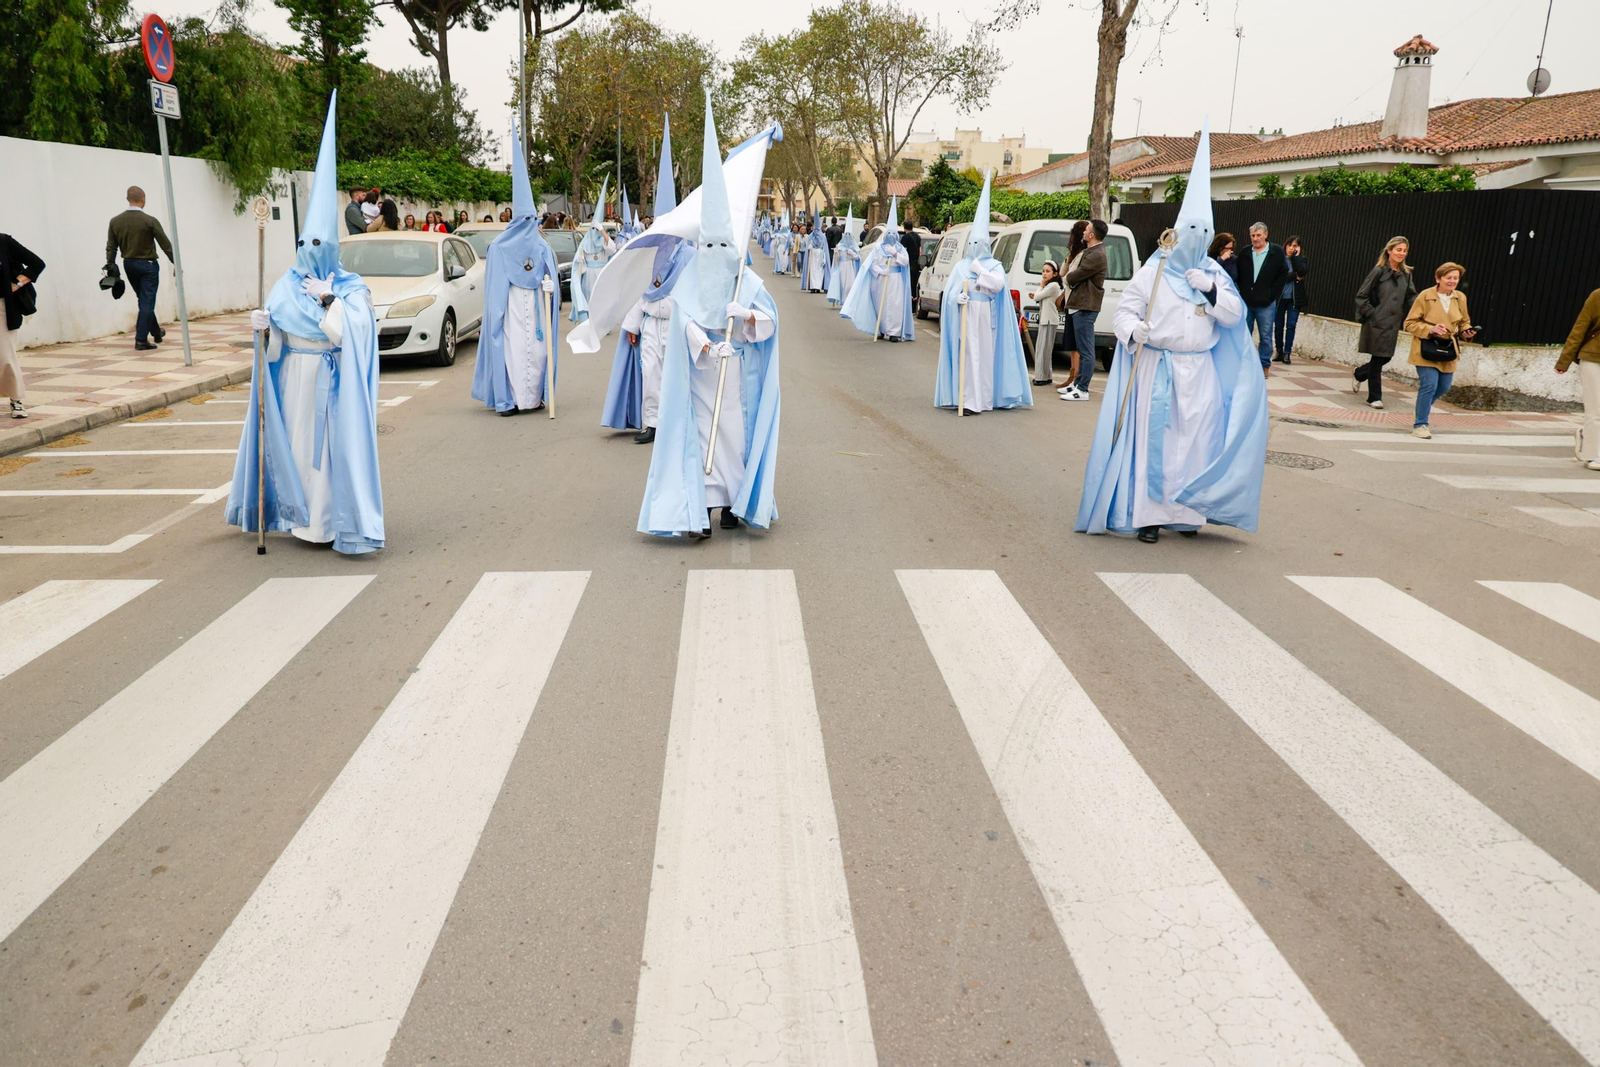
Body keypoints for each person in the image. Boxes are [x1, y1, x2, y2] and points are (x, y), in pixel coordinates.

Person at [1076, 121, 1268, 544]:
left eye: (1204, 235)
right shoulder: (1153, 271)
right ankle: (1150, 516)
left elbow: (1234, 316)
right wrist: (1135, 330)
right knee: (1156, 440)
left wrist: (1211, 289)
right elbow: (1124, 312)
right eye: (1191, 233)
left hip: (1199, 371)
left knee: (1198, 440)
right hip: (1156, 367)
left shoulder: (1214, 274)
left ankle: (1187, 514)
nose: (1196, 242)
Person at [227, 91, 384, 555]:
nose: (310, 251)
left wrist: (330, 298)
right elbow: (274, 344)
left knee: (329, 453)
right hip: (295, 376)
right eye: (304, 243)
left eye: (319, 244)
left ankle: (330, 523)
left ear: (332, 247)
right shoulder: (285, 285)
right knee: (298, 446)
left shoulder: (351, 285)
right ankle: (299, 520)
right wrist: (263, 327)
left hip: (333, 381)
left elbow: (356, 333)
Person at [639, 93, 780, 540]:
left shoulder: (746, 280)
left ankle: (734, 506)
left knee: (734, 439)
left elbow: (771, 323)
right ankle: (698, 510)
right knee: (700, 437)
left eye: (724, 245)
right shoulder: (689, 279)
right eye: (710, 245)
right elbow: (683, 320)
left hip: (738, 376)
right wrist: (705, 344)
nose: (717, 253)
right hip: (700, 377)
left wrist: (748, 317)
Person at [472, 122, 560, 418]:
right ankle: (509, 399)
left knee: (537, 354)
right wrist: (497, 318)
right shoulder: (499, 248)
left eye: (532, 220)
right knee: (513, 353)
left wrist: (550, 287)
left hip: (536, 311)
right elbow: (495, 291)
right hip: (511, 313)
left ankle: (534, 398)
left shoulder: (543, 247)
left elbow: (549, 276)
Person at [603, 130, 685, 444]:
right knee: (650, 373)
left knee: (677, 375)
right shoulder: (646, 252)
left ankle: (677, 425)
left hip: (677, 324)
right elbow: (638, 289)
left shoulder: (688, 255)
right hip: (651, 323)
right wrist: (632, 325)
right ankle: (651, 423)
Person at [934, 172, 1030, 415]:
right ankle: (968, 400)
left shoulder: (994, 266)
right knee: (968, 356)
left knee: (984, 357)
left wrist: (980, 272)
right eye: (972, 244)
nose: (975, 248)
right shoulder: (960, 266)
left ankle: (985, 399)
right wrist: (956, 299)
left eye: (979, 244)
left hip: (986, 317)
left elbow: (997, 286)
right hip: (966, 315)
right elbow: (950, 292)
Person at [1403, 261, 1475, 439]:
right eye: (1448, 277)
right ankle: (1420, 424)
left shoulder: (1460, 297)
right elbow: (1409, 323)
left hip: (1448, 348)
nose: (1452, 281)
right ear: (1438, 278)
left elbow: (1464, 321)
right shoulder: (1425, 296)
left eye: (1456, 278)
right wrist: (1431, 329)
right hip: (1426, 347)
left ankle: (1421, 409)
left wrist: (1467, 330)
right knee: (1429, 385)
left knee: (1444, 387)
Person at [106, 186, 174, 351]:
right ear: (143, 199)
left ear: (127, 199)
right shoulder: (149, 221)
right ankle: (141, 339)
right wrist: (176, 263)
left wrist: (110, 264)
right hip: (148, 265)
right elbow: (165, 244)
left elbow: (111, 246)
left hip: (129, 264)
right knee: (147, 301)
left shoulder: (115, 221)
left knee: (144, 299)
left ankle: (156, 332)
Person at [1352, 237, 1416, 410]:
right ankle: (1374, 397)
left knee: (1385, 357)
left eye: (1404, 250)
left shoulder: (1406, 274)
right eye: (1398, 250)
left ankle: (1359, 373)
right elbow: (1361, 296)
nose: (1401, 253)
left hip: (1393, 323)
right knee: (1378, 357)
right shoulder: (1378, 271)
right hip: (1376, 323)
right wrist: (1373, 314)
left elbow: (1411, 297)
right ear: (1389, 250)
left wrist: (1422, 309)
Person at [840, 198, 913, 342]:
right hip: (881, 280)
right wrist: (880, 271)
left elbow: (905, 262)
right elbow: (871, 263)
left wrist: (895, 253)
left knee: (895, 305)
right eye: (888, 233)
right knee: (881, 304)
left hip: (896, 281)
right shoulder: (879, 248)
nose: (891, 236)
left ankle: (894, 332)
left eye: (893, 233)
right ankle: (879, 329)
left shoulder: (900, 249)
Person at [1233, 221, 1291, 375]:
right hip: (1247, 301)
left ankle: (1264, 365)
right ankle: (1243, 364)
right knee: (1244, 334)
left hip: (1266, 303)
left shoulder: (1276, 252)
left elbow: (1283, 274)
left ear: (1266, 234)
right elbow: (1238, 274)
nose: (1255, 238)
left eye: (1258, 235)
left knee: (1265, 336)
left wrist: (1273, 295)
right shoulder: (1245, 252)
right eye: (1253, 235)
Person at [1060, 219, 1108, 401]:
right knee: (1081, 347)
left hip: (1085, 305)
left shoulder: (1096, 255)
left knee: (1086, 350)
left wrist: (1068, 279)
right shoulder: (1090, 251)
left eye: (1087, 229)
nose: (1084, 232)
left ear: (1092, 234)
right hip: (1079, 304)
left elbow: (1075, 276)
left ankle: (1082, 389)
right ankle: (1077, 383)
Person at [1, 232, 44, 418]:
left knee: (5, 355)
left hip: (2, 307)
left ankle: (16, 399)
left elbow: (37, 263)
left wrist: (17, 284)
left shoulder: (3, 242)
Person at [1556, 287, 1600, 470]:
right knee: (1595, 409)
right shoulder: (1597, 296)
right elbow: (1580, 328)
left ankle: (1585, 434)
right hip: (1593, 358)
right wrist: (1564, 361)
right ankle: (1592, 456)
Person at [569, 176, 615, 324]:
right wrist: (580, 262)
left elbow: (612, 249)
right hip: (589, 274)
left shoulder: (603, 241)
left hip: (602, 273)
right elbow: (579, 262)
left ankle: (602, 322)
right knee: (589, 296)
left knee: (602, 298)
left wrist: (602, 230)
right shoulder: (585, 243)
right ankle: (588, 321)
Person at [1274, 236, 1309, 364]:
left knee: (1291, 325)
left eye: (1295, 246)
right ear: (1285, 246)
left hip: (1294, 298)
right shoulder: (1279, 259)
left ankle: (1287, 353)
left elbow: (1303, 272)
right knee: (1278, 325)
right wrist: (1294, 275)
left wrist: (1297, 258)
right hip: (1280, 298)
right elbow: (1279, 277)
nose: (1291, 248)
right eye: (1290, 245)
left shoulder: (1301, 260)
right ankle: (1279, 350)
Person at [1028, 261, 1063, 387]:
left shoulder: (1052, 285)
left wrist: (1041, 286)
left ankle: (1041, 377)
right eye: (1043, 271)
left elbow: (1038, 297)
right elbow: (1040, 297)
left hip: (1048, 320)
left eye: (1048, 271)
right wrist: (1038, 293)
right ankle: (1046, 375)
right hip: (1047, 320)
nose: (1044, 274)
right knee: (1045, 349)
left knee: (1042, 349)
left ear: (1055, 274)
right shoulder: (1051, 286)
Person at [826, 206, 861, 309]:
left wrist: (852, 254)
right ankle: (842, 300)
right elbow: (836, 260)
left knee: (850, 284)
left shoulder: (854, 247)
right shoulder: (840, 247)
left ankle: (849, 301)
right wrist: (836, 253)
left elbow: (858, 258)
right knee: (842, 284)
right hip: (842, 266)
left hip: (850, 267)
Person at [803, 221, 830, 293]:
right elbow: (808, 245)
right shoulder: (811, 236)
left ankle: (818, 287)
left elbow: (825, 248)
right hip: (813, 256)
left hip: (820, 256)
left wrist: (824, 257)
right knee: (813, 271)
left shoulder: (823, 237)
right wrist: (809, 247)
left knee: (820, 272)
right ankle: (812, 287)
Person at [901, 223, 923, 307]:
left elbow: (904, 251)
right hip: (916, 263)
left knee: (908, 284)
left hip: (908, 263)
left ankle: (909, 304)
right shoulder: (918, 236)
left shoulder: (905, 238)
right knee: (915, 284)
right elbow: (920, 251)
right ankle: (915, 302)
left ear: (904, 227)